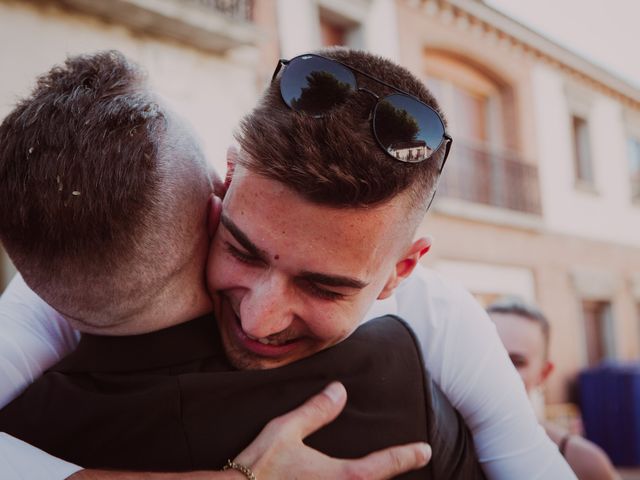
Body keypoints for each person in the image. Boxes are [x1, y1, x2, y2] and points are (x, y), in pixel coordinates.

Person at [0, 48, 576, 479]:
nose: (259, 319)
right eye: (240, 250)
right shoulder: (84, 285)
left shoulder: (443, 317)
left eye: (324, 288)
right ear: (223, 189)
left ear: (402, 271)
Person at [488, 296, 620, 480]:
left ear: (543, 373)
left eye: (516, 362)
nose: (500, 370)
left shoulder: (584, 463)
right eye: (491, 356)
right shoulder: (443, 441)